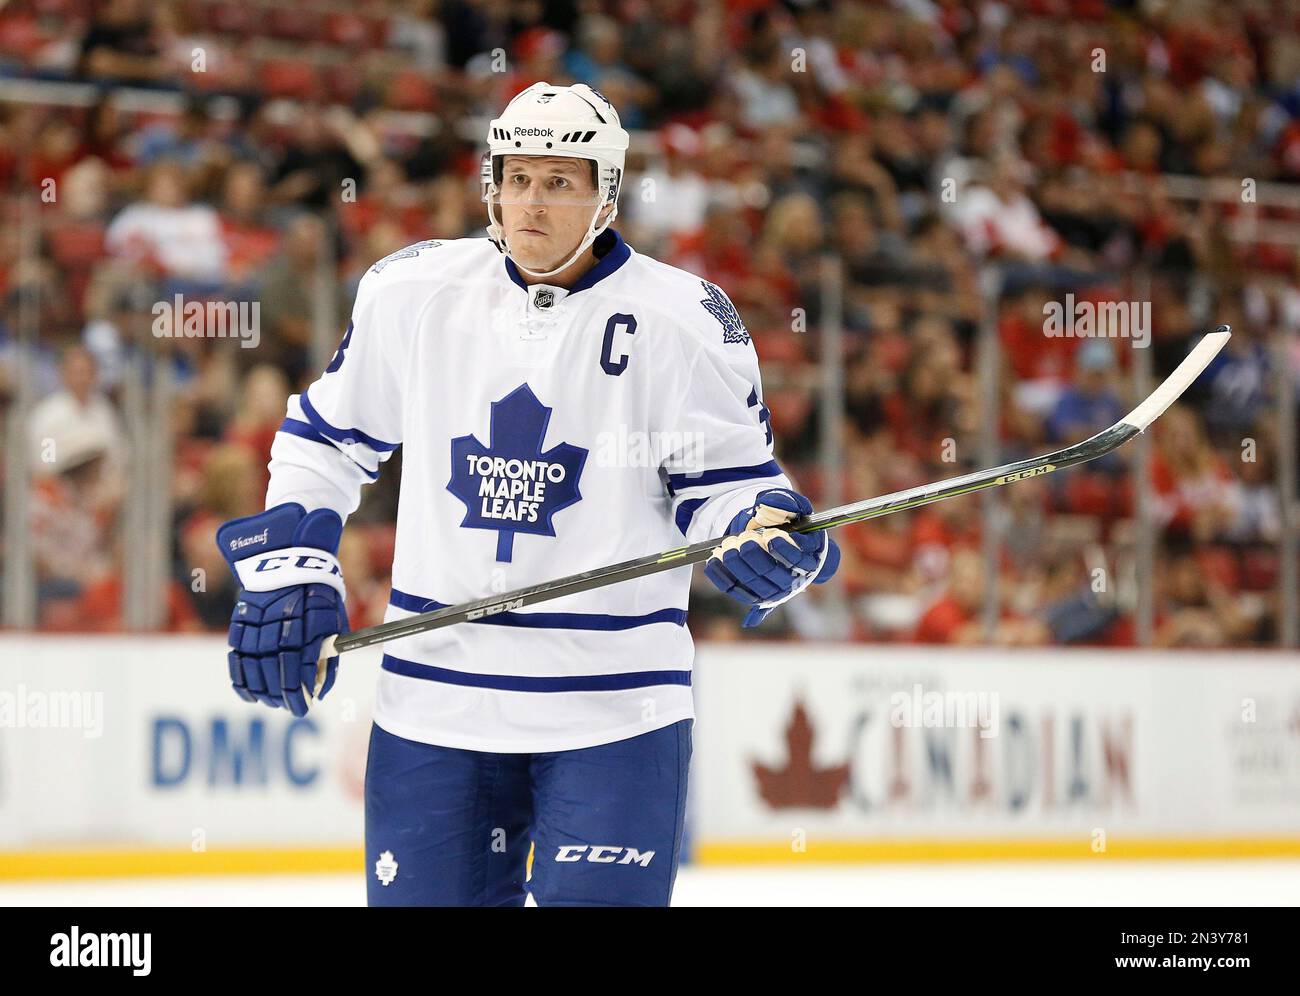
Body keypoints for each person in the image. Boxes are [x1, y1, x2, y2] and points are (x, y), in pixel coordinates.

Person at [214, 83, 839, 907]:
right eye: (516, 178)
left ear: (606, 193)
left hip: (614, 712)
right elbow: (324, 437)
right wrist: (296, 562)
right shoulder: (415, 292)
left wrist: (763, 535)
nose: (529, 203)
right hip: (436, 704)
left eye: (558, 181)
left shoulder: (683, 318)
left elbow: (728, 491)